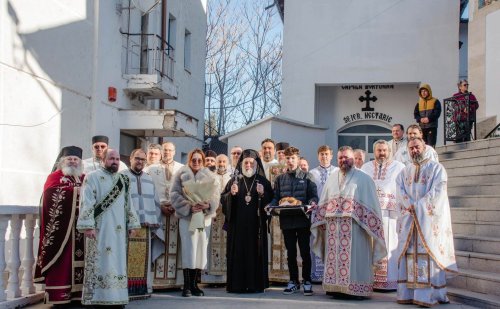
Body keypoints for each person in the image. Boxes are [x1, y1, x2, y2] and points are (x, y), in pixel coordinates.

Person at [311, 146, 386, 298]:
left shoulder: (364, 178)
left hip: (356, 229)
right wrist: (320, 219)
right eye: (340, 158)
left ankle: (356, 289)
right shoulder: (333, 177)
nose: (343, 160)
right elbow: (324, 201)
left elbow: (372, 206)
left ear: (353, 158)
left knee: (355, 260)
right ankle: (335, 287)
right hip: (333, 229)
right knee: (334, 259)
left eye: (346, 157)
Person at [396, 137, 457, 307]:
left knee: (429, 255)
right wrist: (409, 205)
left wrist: (418, 206)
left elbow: (438, 192)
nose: (414, 150)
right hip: (409, 221)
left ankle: (429, 296)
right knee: (408, 254)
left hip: (428, 223)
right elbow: (399, 191)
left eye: (417, 147)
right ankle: (408, 294)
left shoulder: (437, 168)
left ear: (424, 147)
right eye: (411, 148)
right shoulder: (405, 171)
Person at [77, 149, 141, 307]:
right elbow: (87, 202)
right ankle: (95, 298)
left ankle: (117, 298)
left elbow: (129, 204)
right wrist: (88, 225)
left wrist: (132, 223)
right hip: (99, 229)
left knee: (117, 262)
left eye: (118, 159)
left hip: (118, 231)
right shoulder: (93, 177)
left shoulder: (124, 180)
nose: (115, 161)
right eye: (112, 158)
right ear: (103, 160)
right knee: (100, 262)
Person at [34, 146, 85, 305]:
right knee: (62, 262)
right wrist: (77, 191)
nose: (73, 161)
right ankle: (59, 295)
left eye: (75, 159)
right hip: (63, 231)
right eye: (69, 159)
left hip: (82, 228)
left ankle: (79, 294)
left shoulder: (84, 177)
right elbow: (50, 195)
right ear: (63, 161)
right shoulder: (55, 176)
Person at [221, 149, 274, 293]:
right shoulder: (234, 180)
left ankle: (255, 284)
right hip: (237, 227)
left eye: (251, 162)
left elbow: (271, 201)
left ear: (256, 164)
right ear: (241, 164)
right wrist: (230, 195)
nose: (249, 165)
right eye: (246, 162)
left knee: (255, 254)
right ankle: (237, 285)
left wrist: (263, 193)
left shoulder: (263, 181)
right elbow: (223, 199)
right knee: (237, 254)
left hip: (256, 227)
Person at [170, 149, 219, 297]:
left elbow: (216, 196)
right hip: (187, 217)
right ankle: (186, 286)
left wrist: (208, 205)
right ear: (189, 160)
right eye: (194, 159)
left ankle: (195, 284)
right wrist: (188, 206)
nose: (196, 162)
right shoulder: (180, 174)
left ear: (203, 161)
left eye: (199, 160)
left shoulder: (211, 176)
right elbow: (174, 194)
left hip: (204, 218)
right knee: (188, 249)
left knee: (201, 250)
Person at [271, 146, 318, 296]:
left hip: (303, 220)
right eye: (288, 158)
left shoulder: (307, 176)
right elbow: (276, 198)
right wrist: (271, 205)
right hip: (287, 220)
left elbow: (313, 196)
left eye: (293, 158)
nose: (290, 161)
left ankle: (307, 281)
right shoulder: (280, 179)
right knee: (290, 252)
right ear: (285, 160)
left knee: (304, 252)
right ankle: (293, 281)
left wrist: (312, 203)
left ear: (298, 160)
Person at [361, 140, 405, 291]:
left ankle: (390, 281)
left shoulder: (399, 167)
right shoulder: (365, 168)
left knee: (390, 245)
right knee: (370, 247)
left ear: (389, 151)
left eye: (384, 150)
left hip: (390, 216)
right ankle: (370, 280)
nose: (382, 153)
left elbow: (403, 189)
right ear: (374, 152)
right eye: (379, 150)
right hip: (370, 215)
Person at [120, 149, 161, 297]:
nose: (140, 162)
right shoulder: (122, 177)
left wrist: (155, 221)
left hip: (146, 227)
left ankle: (142, 289)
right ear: (130, 159)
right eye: (137, 158)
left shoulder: (149, 178)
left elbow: (155, 202)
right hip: (128, 226)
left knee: (143, 260)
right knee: (125, 258)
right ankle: (124, 289)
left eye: (143, 160)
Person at [144, 141, 184, 289]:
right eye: (165, 150)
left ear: (174, 152)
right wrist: (160, 206)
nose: (167, 153)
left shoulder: (181, 168)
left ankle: (176, 281)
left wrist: (176, 204)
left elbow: (185, 190)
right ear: (161, 152)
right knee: (158, 241)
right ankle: (156, 280)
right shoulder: (151, 169)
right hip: (158, 211)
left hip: (176, 213)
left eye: (170, 150)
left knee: (176, 245)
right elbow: (148, 191)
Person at [308, 145, 339, 282]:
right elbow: (309, 192)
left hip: (333, 213)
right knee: (316, 240)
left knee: (332, 243)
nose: (324, 156)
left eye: (326, 154)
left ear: (331, 156)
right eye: (321, 154)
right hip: (317, 212)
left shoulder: (338, 171)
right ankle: (317, 275)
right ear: (318, 156)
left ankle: (332, 274)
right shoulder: (312, 173)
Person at [202, 154, 231, 285]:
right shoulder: (210, 175)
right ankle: (210, 278)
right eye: (219, 161)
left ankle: (225, 276)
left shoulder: (232, 177)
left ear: (228, 163)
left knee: (226, 243)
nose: (221, 163)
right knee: (210, 243)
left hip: (226, 214)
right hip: (213, 213)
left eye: (224, 161)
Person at [414, 83, 442, 148]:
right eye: (422, 91)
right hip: (422, 128)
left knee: (431, 145)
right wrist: (420, 119)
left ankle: (431, 158)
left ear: (429, 91)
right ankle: (424, 158)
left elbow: (437, 112)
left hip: (431, 127)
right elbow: (416, 114)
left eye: (425, 91)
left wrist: (429, 119)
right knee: (422, 145)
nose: (423, 93)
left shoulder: (435, 101)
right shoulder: (419, 103)